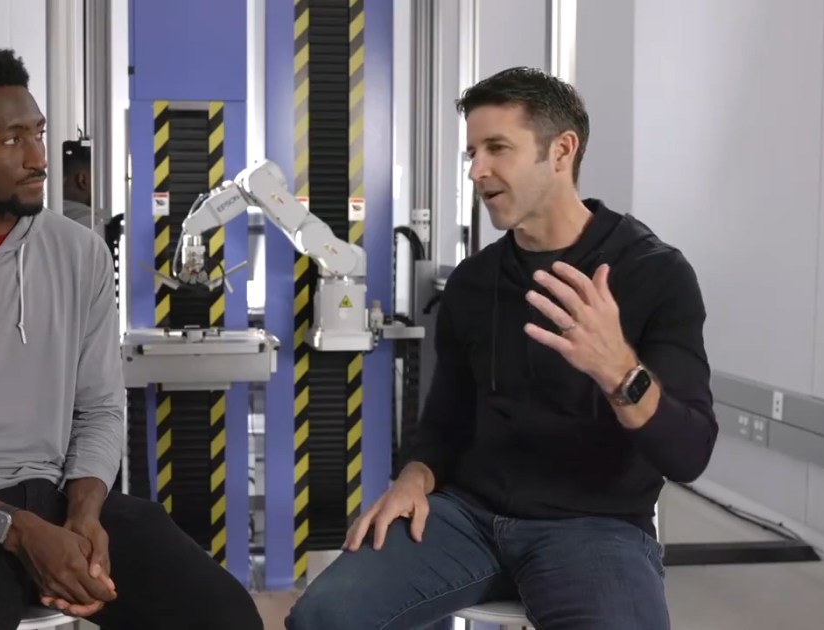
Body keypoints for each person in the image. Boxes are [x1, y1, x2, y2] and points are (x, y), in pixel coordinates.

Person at [0, 41, 262, 630]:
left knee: (226, 617)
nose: (38, 158)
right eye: (12, 140)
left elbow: (100, 408)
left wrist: (85, 514)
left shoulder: (79, 253)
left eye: (38, 133)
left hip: (61, 499)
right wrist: (16, 531)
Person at [286, 67, 717, 630]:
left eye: (497, 148)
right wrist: (413, 479)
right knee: (322, 617)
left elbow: (689, 454)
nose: (476, 171)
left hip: (596, 527)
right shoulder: (473, 282)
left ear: (561, 151)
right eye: (472, 153)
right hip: (467, 519)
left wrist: (619, 371)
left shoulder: (655, 274)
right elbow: (443, 424)